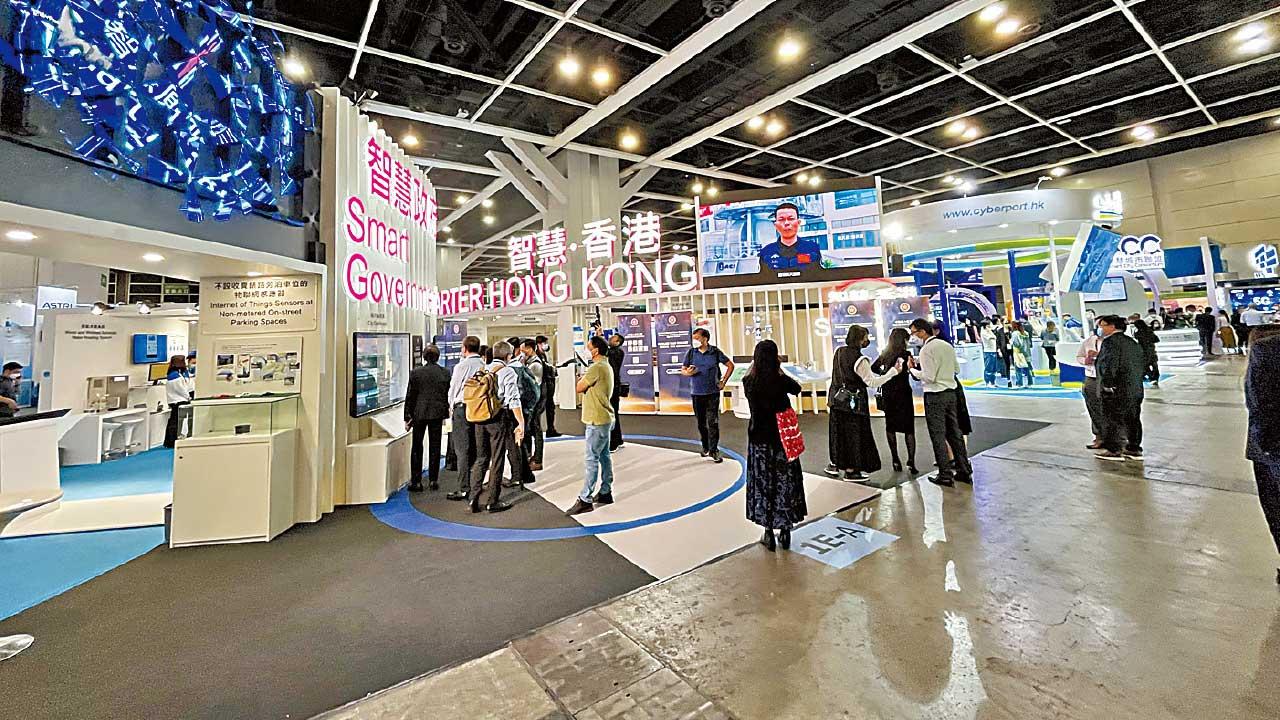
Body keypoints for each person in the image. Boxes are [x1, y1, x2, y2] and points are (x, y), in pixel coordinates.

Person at [743, 339, 806, 552]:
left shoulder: (749, 381)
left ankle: (768, 531)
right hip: (782, 441)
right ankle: (785, 530)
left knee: (763, 484)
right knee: (785, 482)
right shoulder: (781, 381)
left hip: (759, 441)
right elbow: (797, 388)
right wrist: (779, 371)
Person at [826, 326, 901, 481]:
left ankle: (836, 464)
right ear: (860, 339)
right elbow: (872, 382)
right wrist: (893, 372)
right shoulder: (860, 359)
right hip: (854, 405)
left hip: (837, 401)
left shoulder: (839, 352)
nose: (867, 340)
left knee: (839, 435)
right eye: (866, 337)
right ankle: (852, 470)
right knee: (854, 436)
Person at [908, 318, 972, 487]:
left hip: (935, 396)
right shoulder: (946, 346)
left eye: (914, 332)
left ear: (922, 331)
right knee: (955, 434)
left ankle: (945, 474)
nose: (913, 336)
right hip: (951, 394)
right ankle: (964, 470)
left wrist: (912, 370)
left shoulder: (926, 349)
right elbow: (956, 369)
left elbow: (929, 377)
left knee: (938, 435)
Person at [467, 341, 523, 514]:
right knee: (497, 459)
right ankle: (492, 501)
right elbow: (513, 399)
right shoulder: (508, 372)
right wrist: (520, 422)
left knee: (481, 458)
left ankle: (473, 497)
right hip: (497, 418)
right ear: (509, 356)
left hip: (479, 417)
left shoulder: (483, 369)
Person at [1244, 324, 1280, 585]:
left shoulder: (1265, 350)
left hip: (1271, 449)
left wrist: (1265, 445)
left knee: (1275, 508)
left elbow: (1258, 405)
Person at [568, 336, 616, 516]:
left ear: (595, 350)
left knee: (591, 459)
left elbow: (579, 388)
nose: (587, 350)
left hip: (596, 420)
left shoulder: (596, 368)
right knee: (604, 456)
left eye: (589, 347)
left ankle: (585, 498)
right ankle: (605, 491)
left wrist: (580, 379)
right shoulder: (605, 365)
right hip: (604, 418)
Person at [1093, 315, 1147, 462]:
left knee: (1112, 419)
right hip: (1134, 387)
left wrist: (1108, 384)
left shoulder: (1110, 342)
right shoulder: (1132, 342)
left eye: (1103, 325)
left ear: (1112, 326)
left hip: (1116, 389)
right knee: (1133, 419)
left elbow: (1110, 364)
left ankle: (1114, 449)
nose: (1101, 328)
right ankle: (1134, 448)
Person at [682, 328, 735, 463]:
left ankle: (714, 450)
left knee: (713, 422)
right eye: (693, 338)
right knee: (701, 423)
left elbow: (730, 365)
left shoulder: (715, 352)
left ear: (705, 339)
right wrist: (689, 372)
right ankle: (705, 446)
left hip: (712, 393)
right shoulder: (691, 352)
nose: (695, 341)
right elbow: (683, 370)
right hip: (697, 393)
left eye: (697, 338)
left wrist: (723, 381)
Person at [404, 345, 450, 492]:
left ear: (424, 357)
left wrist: (407, 416)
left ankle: (416, 481)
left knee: (417, 447)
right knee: (435, 446)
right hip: (437, 414)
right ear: (438, 357)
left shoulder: (416, 373)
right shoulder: (445, 373)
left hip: (419, 414)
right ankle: (433, 480)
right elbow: (446, 395)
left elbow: (410, 396)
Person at [873, 327, 918, 474]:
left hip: (889, 392)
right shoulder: (906, 354)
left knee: (890, 426)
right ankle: (911, 461)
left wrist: (885, 373)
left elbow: (874, 367)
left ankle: (895, 459)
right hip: (904, 392)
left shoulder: (886, 353)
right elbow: (913, 371)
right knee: (909, 429)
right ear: (904, 340)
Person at [445, 336, 485, 501]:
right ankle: (476, 485)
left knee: (462, 450)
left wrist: (450, 407)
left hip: (462, 409)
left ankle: (463, 488)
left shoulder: (462, 366)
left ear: (465, 348)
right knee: (476, 448)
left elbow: (454, 388)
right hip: (478, 409)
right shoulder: (483, 364)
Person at [509, 340, 541, 483]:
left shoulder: (526, 366)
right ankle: (526, 470)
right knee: (523, 439)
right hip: (524, 409)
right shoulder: (522, 366)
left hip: (521, 409)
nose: (522, 352)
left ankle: (524, 472)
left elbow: (534, 389)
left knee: (520, 440)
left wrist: (528, 408)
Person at [758, 202, 823, 274]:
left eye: (791, 219)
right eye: (781, 219)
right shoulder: (766, 252)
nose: (786, 223)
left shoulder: (812, 248)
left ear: (798, 223)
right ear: (775, 225)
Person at [1077, 329, 1105, 449]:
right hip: (1091, 377)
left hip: (1107, 378)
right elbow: (1079, 356)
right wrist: (1086, 360)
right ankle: (1098, 436)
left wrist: (1099, 356)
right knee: (1093, 408)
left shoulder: (1113, 342)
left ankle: (1117, 438)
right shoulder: (1088, 341)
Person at [162, 354, 193, 448]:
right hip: (178, 401)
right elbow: (181, 389)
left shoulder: (178, 374)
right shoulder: (174, 375)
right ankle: (171, 441)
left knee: (175, 421)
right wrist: (188, 397)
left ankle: (171, 440)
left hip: (177, 400)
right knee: (175, 422)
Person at [536, 335, 561, 438]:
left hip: (548, 384)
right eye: (544, 343)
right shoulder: (538, 356)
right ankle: (542, 430)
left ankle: (551, 429)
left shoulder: (543, 355)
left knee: (550, 408)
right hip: (543, 385)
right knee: (542, 408)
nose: (546, 345)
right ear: (539, 344)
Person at [606, 333, 625, 451]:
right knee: (614, 413)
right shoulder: (616, 352)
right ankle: (618, 440)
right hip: (614, 385)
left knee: (612, 414)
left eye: (613, 338)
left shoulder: (616, 352)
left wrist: (600, 336)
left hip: (613, 386)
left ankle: (613, 443)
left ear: (617, 342)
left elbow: (605, 351)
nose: (610, 338)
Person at [1132, 318, 1161, 388]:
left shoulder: (1138, 333)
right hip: (1151, 350)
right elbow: (1156, 339)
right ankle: (1155, 378)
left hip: (1143, 351)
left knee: (1145, 366)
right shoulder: (1149, 331)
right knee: (1154, 365)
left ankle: (1151, 377)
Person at [1010, 321, 1034, 388]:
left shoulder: (1015, 333)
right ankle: (1030, 383)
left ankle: (1019, 383)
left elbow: (1016, 343)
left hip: (1018, 353)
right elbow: (1029, 343)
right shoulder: (1025, 333)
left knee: (1018, 368)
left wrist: (1010, 342)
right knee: (1027, 368)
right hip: (1027, 352)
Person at [994, 317, 1013, 388]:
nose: (1007, 324)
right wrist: (998, 350)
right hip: (1004, 349)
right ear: (1002, 323)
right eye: (1005, 323)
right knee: (1007, 364)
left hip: (1012, 348)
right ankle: (1009, 380)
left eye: (1008, 322)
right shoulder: (999, 331)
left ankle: (1018, 380)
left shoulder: (1011, 330)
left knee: (1015, 363)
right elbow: (998, 342)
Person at [979, 321, 1000, 386]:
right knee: (988, 368)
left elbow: (994, 337)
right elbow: (992, 337)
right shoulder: (983, 332)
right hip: (988, 352)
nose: (991, 326)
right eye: (989, 325)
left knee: (994, 368)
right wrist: (990, 332)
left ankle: (993, 382)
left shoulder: (989, 331)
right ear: (986, 326)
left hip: (993, 351)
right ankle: (987, 382)